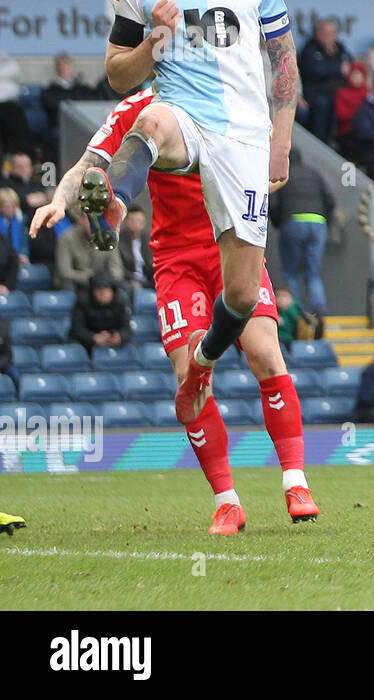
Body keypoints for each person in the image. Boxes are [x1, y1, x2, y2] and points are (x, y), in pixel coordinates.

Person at [31, 84, 317, 535]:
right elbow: (87, 166)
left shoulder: (229, 92)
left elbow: (271, 173)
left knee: (264, 352)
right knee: (190, 378)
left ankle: (296, 483)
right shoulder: (138, 110)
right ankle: (227, 502)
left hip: (233, 242)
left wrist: (256, 175)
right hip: (176, 257)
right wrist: (59, 199)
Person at [80, 0, 301, 437]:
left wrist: (281, 145)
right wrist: (155, 40)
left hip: (246, 139)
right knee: (150, 121)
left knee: (243, 292)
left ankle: (202, 365)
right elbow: (117, 76)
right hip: (185, 116)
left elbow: (283, 63)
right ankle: (114, 203)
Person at [268, 146, 334, 334]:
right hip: (317, 222)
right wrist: (324, 219)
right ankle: (319, 308)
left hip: (293, 222)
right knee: (313, 272)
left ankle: (298, 315)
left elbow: (272, 201)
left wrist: (279, 222)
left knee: (290, 271)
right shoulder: (314, 173)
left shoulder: (281, 173)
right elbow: (330, 199)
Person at [69, 271, 133, 356]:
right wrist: (94, 337)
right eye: (99, 289)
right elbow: (77, 329)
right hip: (87, 342)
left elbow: (127, 328)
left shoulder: (120, 301)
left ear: (112, 291)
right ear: (93, 291)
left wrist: (120, 336)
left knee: (130, 346)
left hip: (112, 338)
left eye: (106, 289)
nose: (103, 293)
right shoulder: (83, 301)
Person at [117, 204, 154, 291]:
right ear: (126, 221)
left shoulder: (149, 239)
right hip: (129, 279)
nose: (136, 224)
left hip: (148, 278)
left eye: (139, 220)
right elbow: (119, 267)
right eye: (132, 220)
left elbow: (152, 263)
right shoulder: (119, 240)